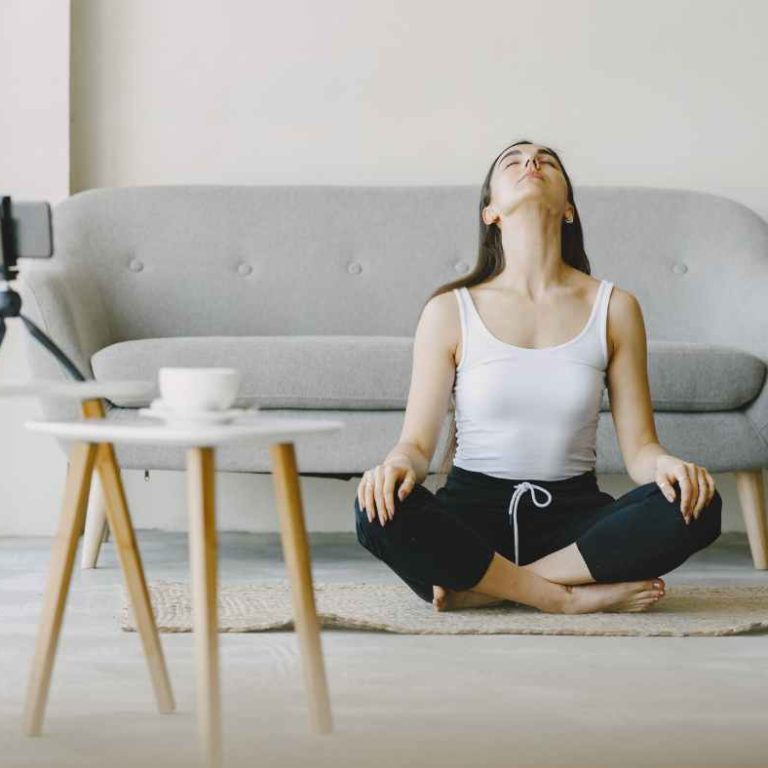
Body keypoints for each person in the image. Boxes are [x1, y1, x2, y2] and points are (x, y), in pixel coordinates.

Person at [353, 139, 722, 614]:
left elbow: (640, 451)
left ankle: (484, 589)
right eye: (514, 161)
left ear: (569, 208)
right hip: (470, 515)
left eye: (545, 160)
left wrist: (669, 467)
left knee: (700, 503)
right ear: (490, 212)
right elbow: (417, 447)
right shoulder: (450, 310)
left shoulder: (614, 308)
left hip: (574, 520)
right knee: (373, 509)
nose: (531, 163)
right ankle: (561, 597)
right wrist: (395, 469)